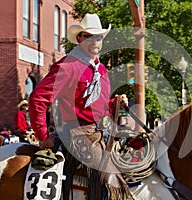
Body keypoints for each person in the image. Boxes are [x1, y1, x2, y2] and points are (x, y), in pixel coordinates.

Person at [29, 13, 131, 200]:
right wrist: (42, 135)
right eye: (88, 36)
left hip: (101, 131)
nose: (95, 41)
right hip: (76, 132)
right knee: (110, 180)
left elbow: (96, 106)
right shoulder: (67, 66)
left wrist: (114, 103)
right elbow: (37, 99)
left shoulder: (100, 69)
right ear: (79, 39)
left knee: (132, 164)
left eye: (98, 37)